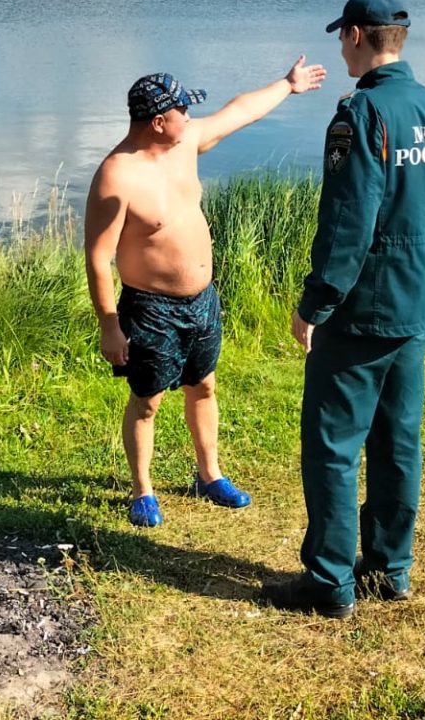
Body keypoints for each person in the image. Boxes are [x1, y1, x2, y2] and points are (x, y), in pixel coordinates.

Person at [264, 0, 425, 616]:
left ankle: (329, 583)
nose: (339, 48)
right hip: (413, 308)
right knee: (399, 441)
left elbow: (349, 221)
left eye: (340, 37)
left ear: (356, 35)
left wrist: (315, 304)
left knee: (332, 444)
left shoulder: (362, 115)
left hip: (359, 312)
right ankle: (389, 567)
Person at [86, 59, 327, 528]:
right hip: (151, 309)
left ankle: (209, 475)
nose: (191, 117)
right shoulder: (117, 175)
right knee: (147, 399)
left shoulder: (184, 143)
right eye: (183, 110)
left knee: (204, 385)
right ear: (158, 122)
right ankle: (143, 491)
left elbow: (240, 112)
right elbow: (98, 257)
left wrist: (288, 85)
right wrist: (110, 326)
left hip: (202, 301)